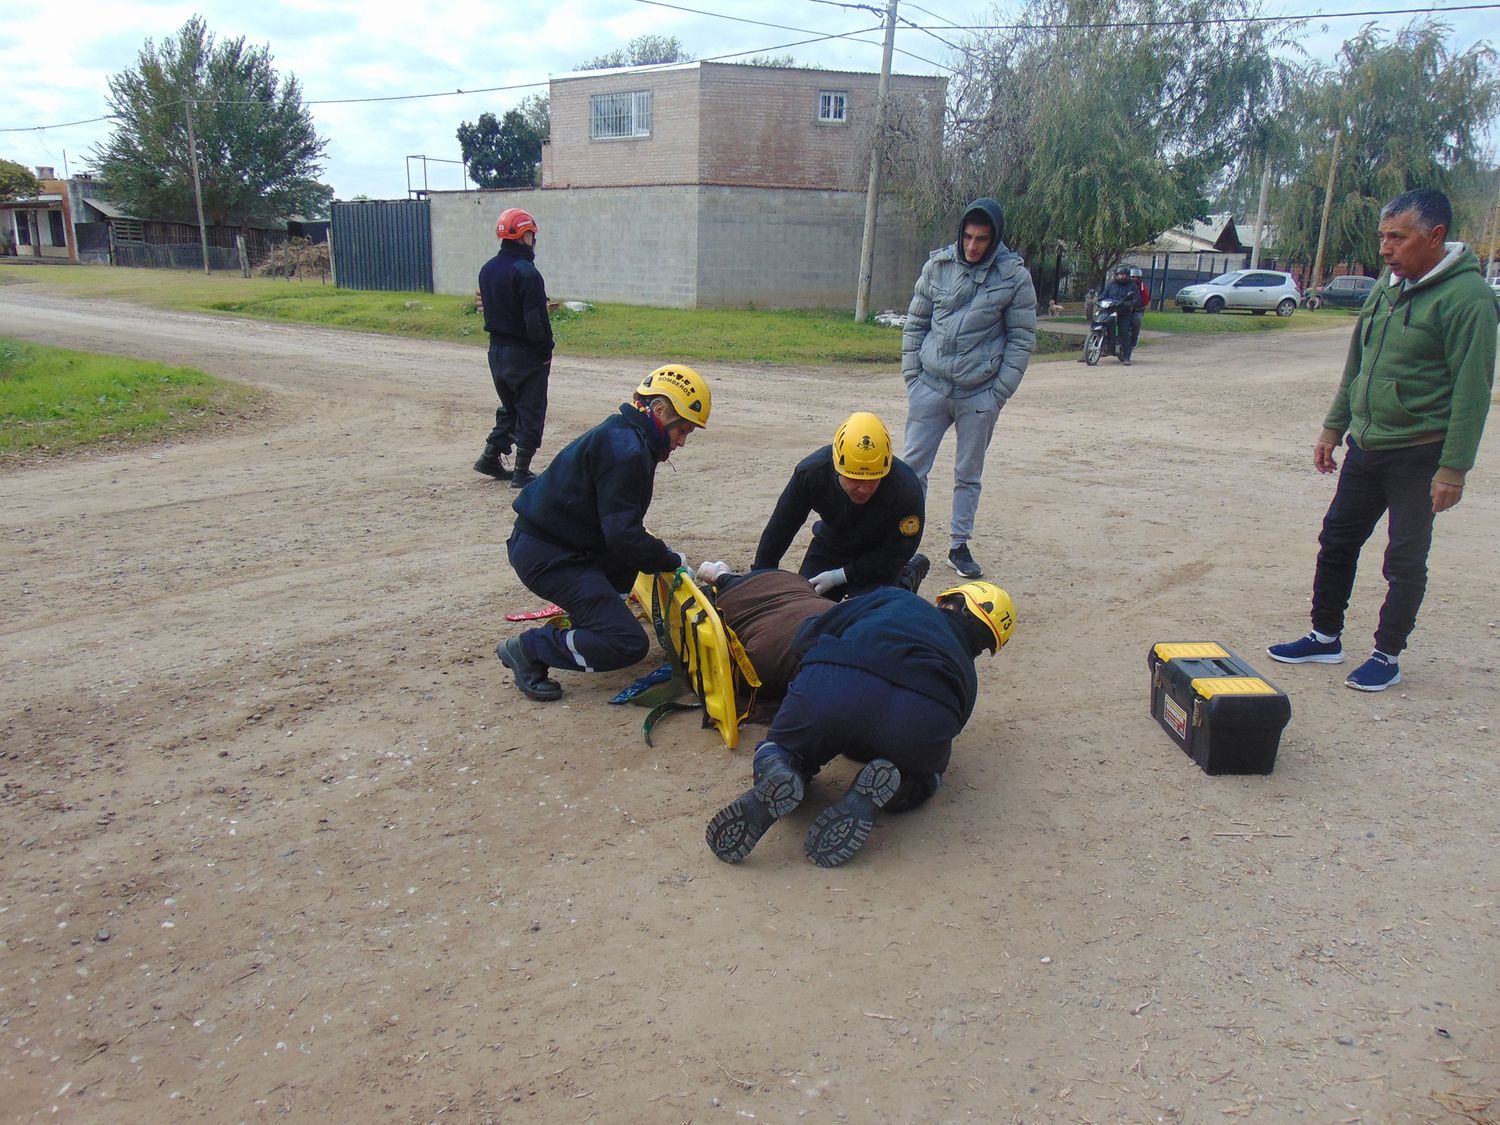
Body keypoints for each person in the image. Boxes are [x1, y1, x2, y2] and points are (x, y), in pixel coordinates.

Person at [1267, 188, 1495, 691]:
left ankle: (1386, 655)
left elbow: (1473, 390)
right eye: (1382, 237)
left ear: (1435, 236)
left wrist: (1453, 468)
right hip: (1366, 446)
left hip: (1420, 452)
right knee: (1337, 540)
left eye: (1398, 237)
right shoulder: (1387, 288)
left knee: (1404, 559)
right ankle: (1324, 636)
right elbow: (1358, 365)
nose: (1386, 249)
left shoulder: (1468, 299)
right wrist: (1333, 426)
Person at [704, 580, 1015, 867]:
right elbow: (953, 726)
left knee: (783, 747)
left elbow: (804, 638)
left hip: (838, 682)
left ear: (951, 602)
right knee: (927, 775)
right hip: (922, 715)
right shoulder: (967, 674)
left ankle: (780, 768)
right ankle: (897, 785)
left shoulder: (897, 599)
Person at [498, 364, 711, 701]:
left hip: (558, 544)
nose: (682, 441)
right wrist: (669, 559)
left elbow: (619, 531)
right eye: (681, 429)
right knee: (626, 643)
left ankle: (592, 620)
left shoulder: (625, 434)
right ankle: (528, 649)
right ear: (658, 411)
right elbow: (623, 535)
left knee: (626, 568)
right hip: (549, 556)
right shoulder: (628, 450)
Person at [901, 197, 1037, 581]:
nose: (972, 246)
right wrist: (913, 377)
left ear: (994, 240)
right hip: (928, 385)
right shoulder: (938, 267)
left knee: (968, 473)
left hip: (978, 394)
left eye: (981, 239)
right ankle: (903, 543)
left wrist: (997, 394)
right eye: (967, 237)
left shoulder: (1013, 277)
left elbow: (1021, 339)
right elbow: (916, 322)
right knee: (911, 470)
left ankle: (959, 545)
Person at [753, 412, 928, 599]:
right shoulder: (813, 473)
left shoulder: (905, 489)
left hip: (880, 551)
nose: (864, 489)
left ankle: (906, 579)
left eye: (873, 480)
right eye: (854, 479)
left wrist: (841, 576)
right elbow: (783, 525)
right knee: (807, 602)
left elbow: (899, 551)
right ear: (837, 466)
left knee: (866, 616)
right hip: (834, 541)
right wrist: (761, 574)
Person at [474, 207, 553, 489]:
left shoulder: (487, 269)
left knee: (510, 407)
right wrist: (545, 353)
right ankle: (522, 471)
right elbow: (536, 320)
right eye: (531, 235)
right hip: (525, 354)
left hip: (496, 352)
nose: (534, 240)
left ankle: (490, 456)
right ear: (523, 235)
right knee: (531, 409)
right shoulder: (527, 273)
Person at [1099, 265, 1140, 365]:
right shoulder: (1111, 284)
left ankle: (1126, 357)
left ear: (1128, 276)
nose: (1121, 277)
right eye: (1119, 275)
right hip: (1109, 310)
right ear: (1116, 275)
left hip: (1124, 312)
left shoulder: (1132, 286)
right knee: (1097, 323)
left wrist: (1128, 303)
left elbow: (1137, 300)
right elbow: (1103, 295)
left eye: (1124, 275)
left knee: (1124, 331)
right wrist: (1099, 300)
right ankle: (1089, 351)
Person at [1130, 266, 1150, 354]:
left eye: (1136, 277)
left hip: (1137, 309)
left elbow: (1145, 299)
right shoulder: (1124, 285)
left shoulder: (1142, 287)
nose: (1134, 279)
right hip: (1123, 308)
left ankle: (1134, 340)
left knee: (1136, 321)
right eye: (1132, 277)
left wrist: (1137, 305)